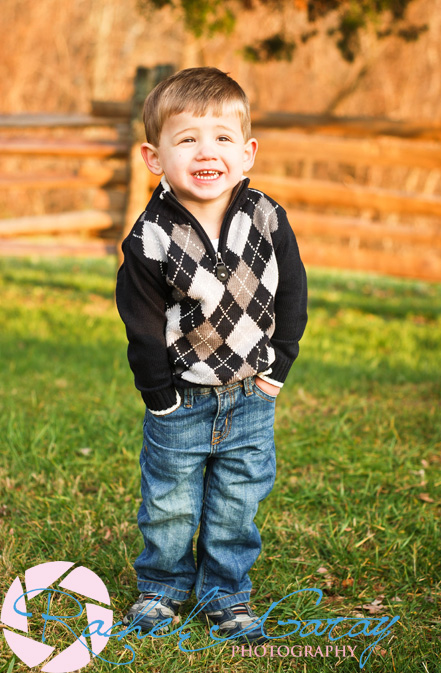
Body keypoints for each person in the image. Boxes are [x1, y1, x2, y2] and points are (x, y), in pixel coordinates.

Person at [115, 67, 308, 642]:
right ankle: (163, 588)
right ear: (155, 158)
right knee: (171, 501)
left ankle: (226, 593)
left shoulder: (266, 218)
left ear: (247, 153)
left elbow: (292, 292)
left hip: (252, 391)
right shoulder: (151, 236)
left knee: (237, 498)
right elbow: (142, 324)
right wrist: (161, 398)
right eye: (187, 139)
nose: (207, 151)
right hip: (182, 395)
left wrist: (279, 368)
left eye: (222, 138)